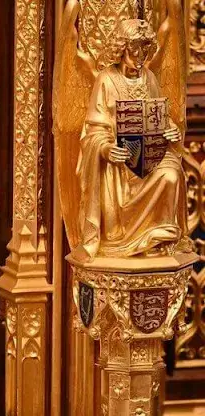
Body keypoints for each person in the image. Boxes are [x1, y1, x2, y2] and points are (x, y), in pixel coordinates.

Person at [75, 19, 191, 259]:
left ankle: (160, 236)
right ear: (122, 48)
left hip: (149, 156)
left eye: (145, 49)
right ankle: (122, 239)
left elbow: (160, 116)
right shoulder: (106, 80)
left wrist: (170, 131)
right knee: (129, 172)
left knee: (172, 173)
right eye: (135, 48)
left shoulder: (149, 78)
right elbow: (94, 129)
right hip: (119, 164)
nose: (140, 56)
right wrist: (106, 148)